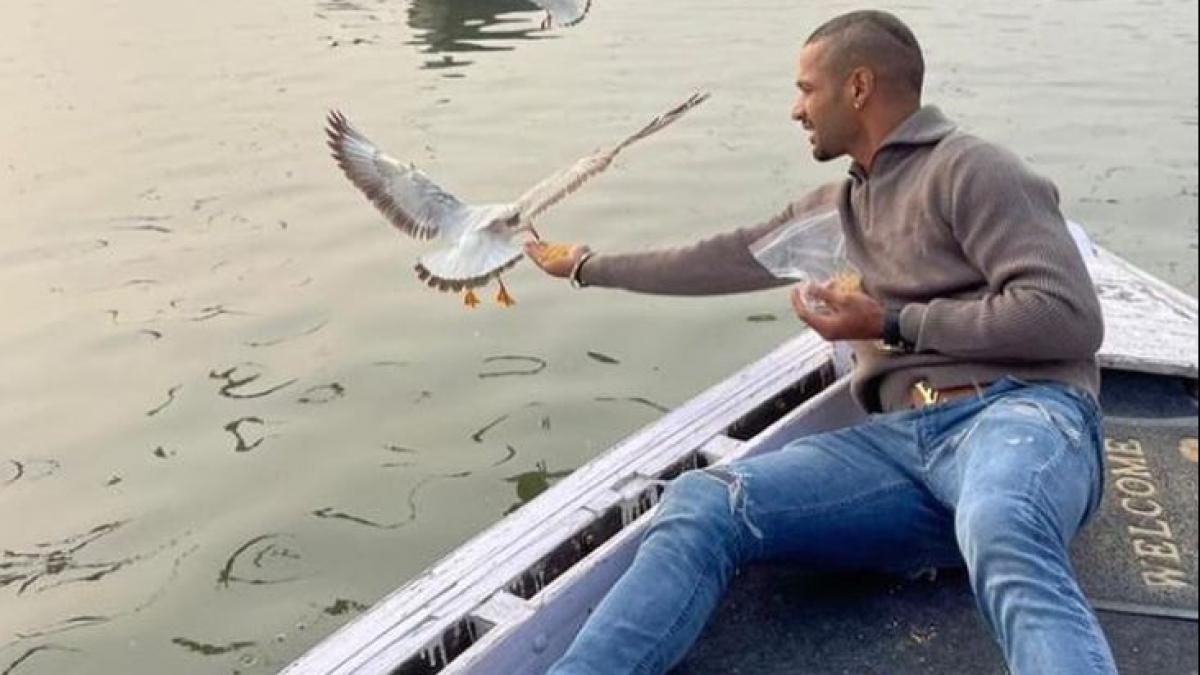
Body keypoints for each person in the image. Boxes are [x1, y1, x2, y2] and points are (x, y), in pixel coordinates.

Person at [524, 9, 1114, 675]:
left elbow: (1066, 315)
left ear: (857, 87)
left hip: (1019, 417)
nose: (795, 109)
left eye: (807, 89)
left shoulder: (972, 169)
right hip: (903, 453)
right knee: (705, 501)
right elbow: (723, 259)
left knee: (1000, 519)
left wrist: (887, 320)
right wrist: (585, 264)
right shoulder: (838, 209)